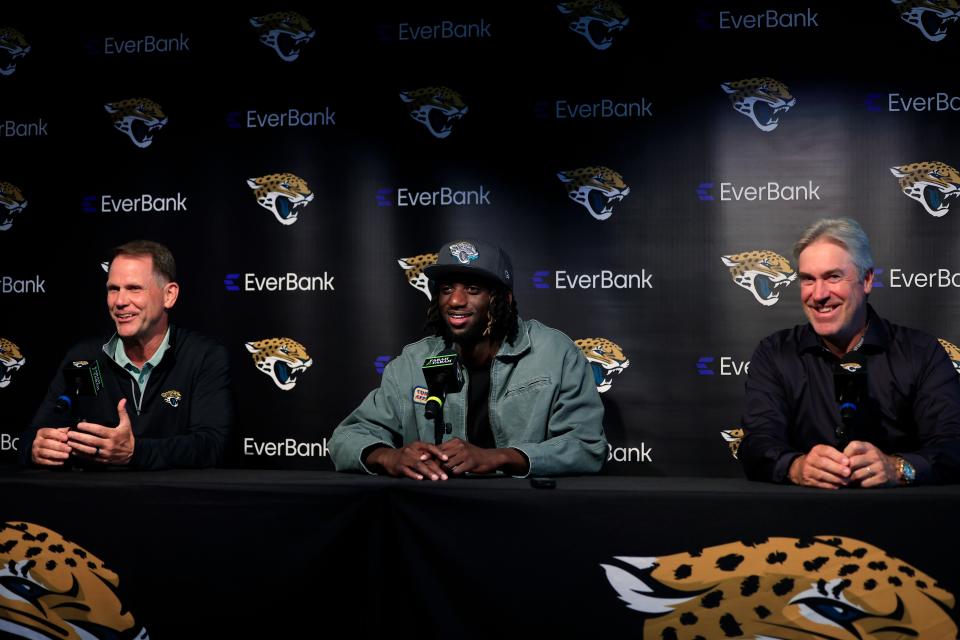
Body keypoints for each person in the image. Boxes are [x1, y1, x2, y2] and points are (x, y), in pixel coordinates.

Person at [330, 238, 606, 479]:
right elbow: (346, 438)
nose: (455, 301)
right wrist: (390, 457)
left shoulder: (554, 353)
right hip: (433, 518)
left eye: (473, 289)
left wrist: (499, 457)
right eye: (447, 289)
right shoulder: (414, 361)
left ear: (504, 299)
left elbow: (586, 446)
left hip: (525, 515)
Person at [739, 218, 960, 488]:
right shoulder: (774, 353)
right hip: (801, 521)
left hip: (902, 520)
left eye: (833, 277)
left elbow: (952, 444)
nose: (818, 294)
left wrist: (897, 468)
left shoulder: (921, 353)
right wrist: (796, 467)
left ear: (867, 280)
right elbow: (756, 443)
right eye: (808, 279)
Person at [22, 240, 235, 470]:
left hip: (173, 502)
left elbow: (213, 446)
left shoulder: (202, 357)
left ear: (169, 295)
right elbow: (35, 434)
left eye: (134, 288)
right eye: (113, 289)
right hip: (97, 502)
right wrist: (36, 448)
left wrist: (134, 452)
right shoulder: (86, 360)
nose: (120, 302)